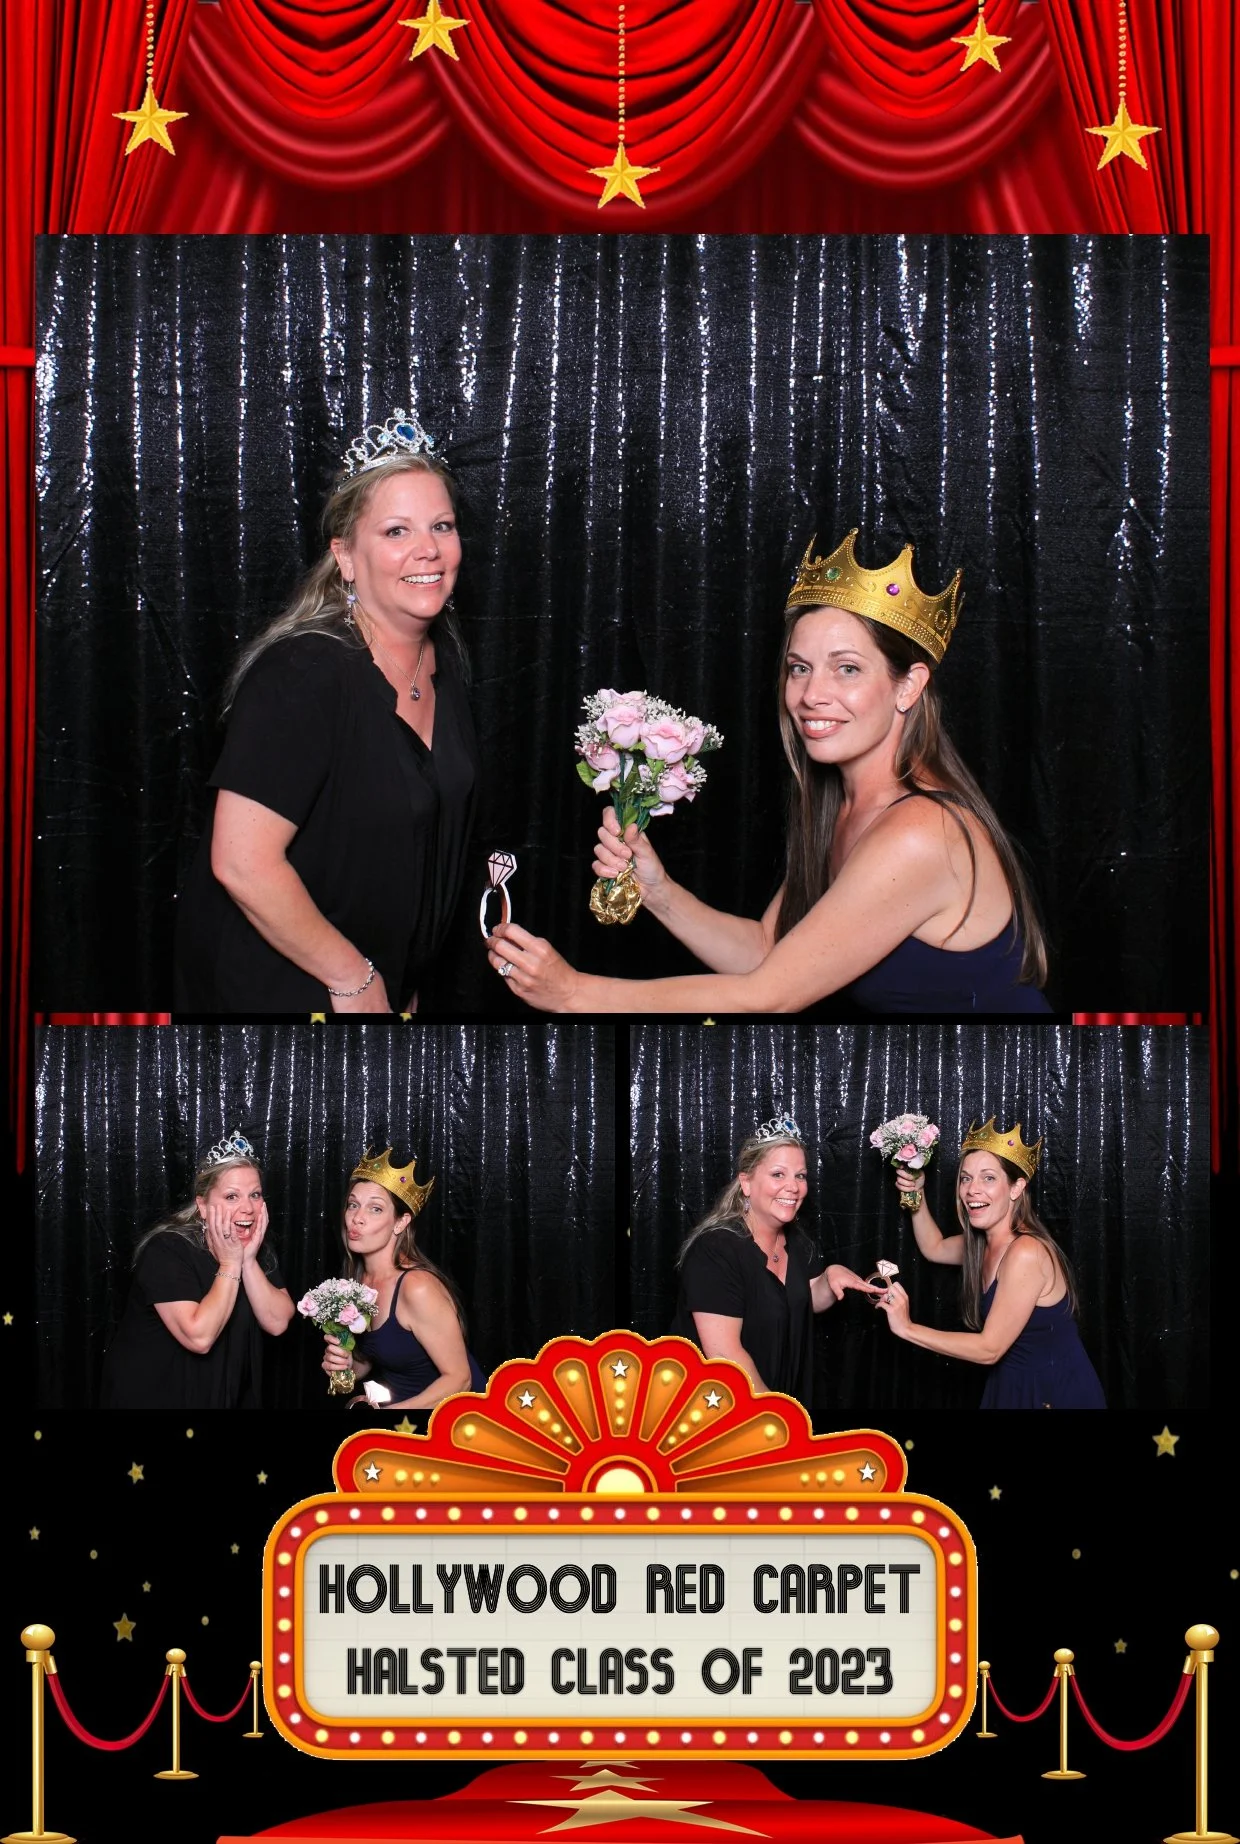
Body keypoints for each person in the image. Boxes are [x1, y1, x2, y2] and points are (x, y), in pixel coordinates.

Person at [486, 529, 1051, 1013]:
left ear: (909, 686)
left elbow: (769, 994)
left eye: (847, 669)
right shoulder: (843, 807)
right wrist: (657, 892)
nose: (811, 695)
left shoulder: (921, 832)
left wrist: (576, 994)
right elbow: (767, 951)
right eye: (799, 668)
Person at [175, 410, 479, 1014]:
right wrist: (354, 978)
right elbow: (242, 862)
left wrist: (404, 978)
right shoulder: (304, 671)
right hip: (283, 992)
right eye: (396, 531)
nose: (428, 549)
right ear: (346, 555)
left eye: (441, 526)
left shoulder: (442, 660)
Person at [875, 1117, 1105, 1408]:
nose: (972, 1190)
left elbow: (989, 1349)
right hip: (1010, 1383)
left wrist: (907, 1328)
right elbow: (934, 1248)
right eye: (966, 1178)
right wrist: (915, 1192)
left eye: (988, 1178)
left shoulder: (1026, 1252)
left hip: (1051, 1392)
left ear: (1016, 1188)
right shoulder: (981, 1244)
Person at [670, 1116, 880, 1408]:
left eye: (800, 1176)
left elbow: (804, 1299)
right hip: (721, 1407)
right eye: (778, 1174)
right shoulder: (715, 1250)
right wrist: (775, 1416)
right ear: (746, 1182)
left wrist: (828, 1279)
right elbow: (725, 1356)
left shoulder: (798, 1241)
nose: (793, 1187)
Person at [101, 1132, 294, 1409]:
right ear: (203, 1205)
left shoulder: (256, 1247)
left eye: (255, 1195)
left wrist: (248, 1261)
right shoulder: (167, 1249)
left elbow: (277, 1322)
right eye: (231, 1196)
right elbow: (199, 1337)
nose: (248, 1208)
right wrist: (231, 1263)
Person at [320, 1147, 486, 1409]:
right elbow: (375, 1355)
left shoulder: (417, 1287)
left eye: (375, 1209)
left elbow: (460, 1379)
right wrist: (348, 1364)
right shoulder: (358, 1279)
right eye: (353, 1205)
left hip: (458, 1419)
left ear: (400, 1222)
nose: (357, 1218)